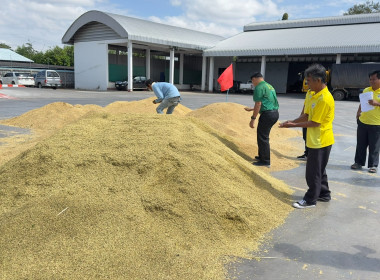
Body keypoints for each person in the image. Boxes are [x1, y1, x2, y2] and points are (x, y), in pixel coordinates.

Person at [279, 64, 335, 209]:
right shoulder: (311, 93)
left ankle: (310, 200)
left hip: (321, 141)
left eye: (309, 80)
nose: (307, 83)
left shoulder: (324, 98)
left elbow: (315, 123)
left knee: (312, 173)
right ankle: (324, 194)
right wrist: (292, 121)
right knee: (319, 170)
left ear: (318, 80)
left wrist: (292, 126)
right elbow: (306, 115)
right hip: (313, 139)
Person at [244, 72, 279, 167]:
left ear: (254, 79)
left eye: (252, 81)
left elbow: (258, 103)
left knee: (263, 137)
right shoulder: (269, 86)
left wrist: (253, 118)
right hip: (274, 113)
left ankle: (265, 161)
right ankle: (262, 156)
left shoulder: (259, 87)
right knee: (262, 135)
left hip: (267, 115)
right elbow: (267, 102)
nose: (253, 83)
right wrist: (252, 108)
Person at [350, 70, 380, 173]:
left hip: (376, 124)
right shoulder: (367, 90)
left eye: (374, 79)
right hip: (363, 122)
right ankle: (358, 162)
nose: (371, 81)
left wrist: (377, 103)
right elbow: (362, 103)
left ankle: (373, 165)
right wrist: (358, 113)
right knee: (361, 144)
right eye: (370, 79)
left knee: (374, 146)